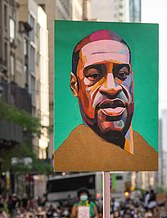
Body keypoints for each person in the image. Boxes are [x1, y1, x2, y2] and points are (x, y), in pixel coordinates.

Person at [55, 29, 158, 172]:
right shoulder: (67, 154)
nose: (112, 88)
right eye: (94, 75)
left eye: (122, 74)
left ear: (132, 80)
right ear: (74, 85)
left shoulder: (148, 154)